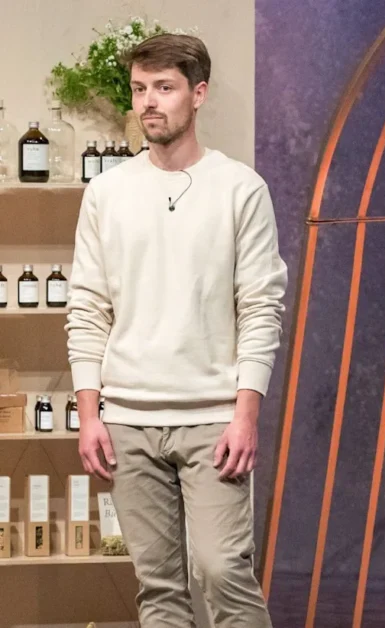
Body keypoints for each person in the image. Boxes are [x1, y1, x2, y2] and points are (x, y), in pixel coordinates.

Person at [65, 33, 287, 628]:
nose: (149, 102)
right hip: (127, 421)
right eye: (140, 89)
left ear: (199, 94)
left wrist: (246, 414)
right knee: (158, 588)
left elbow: (261, 307)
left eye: (164, 87)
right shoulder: (106, 193)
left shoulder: (240, 188)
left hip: (213, 419)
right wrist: (90, 414)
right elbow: (87, 308)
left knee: (223, 571)